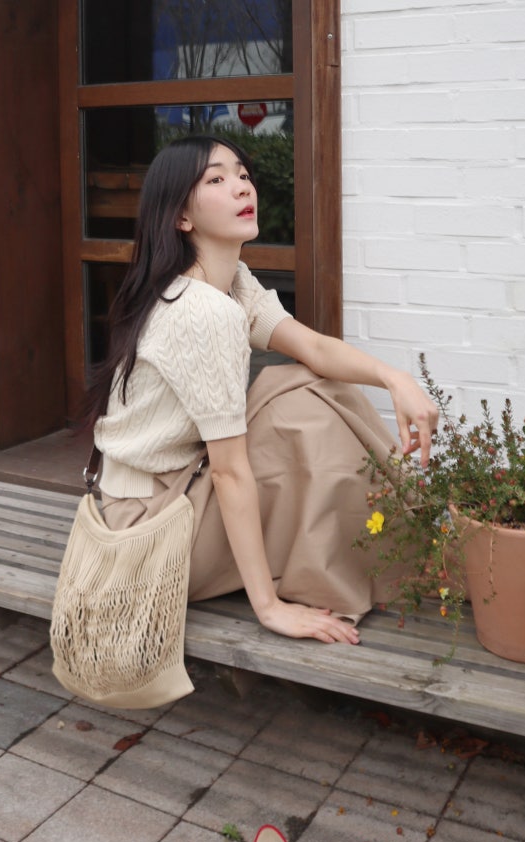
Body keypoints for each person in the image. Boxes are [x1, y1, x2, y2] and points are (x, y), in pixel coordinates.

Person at [83, 134, 438, 646]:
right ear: (181, 217)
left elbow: (313, 348)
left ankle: (387, 538)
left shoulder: (231, 283)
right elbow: (228, 472)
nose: (241, 187)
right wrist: (268, 609)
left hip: (174, 495)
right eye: (216, 179)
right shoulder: (202, 312)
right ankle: (380, 547)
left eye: (243, 175)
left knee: (306, 382)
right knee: (300, 418)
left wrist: (395, 378)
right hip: (149, 534)